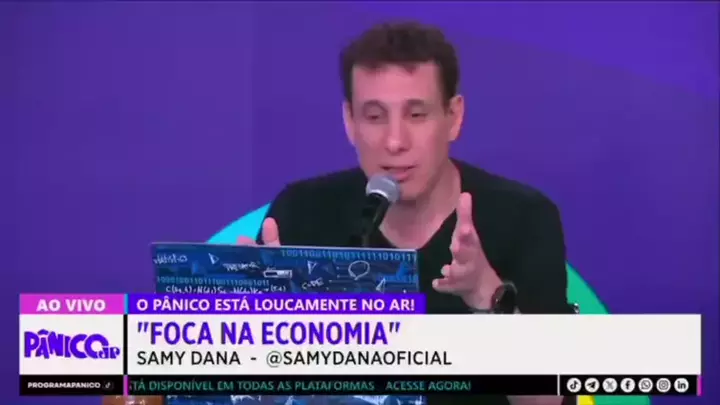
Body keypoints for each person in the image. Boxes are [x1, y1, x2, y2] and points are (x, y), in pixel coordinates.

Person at [237, 21, 572, 405]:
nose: (395, 142)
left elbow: (549, 401)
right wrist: (261, 333)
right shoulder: (301, 213)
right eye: (375, 116)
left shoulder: (524, 218)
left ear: (454, 116)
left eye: (416, 115)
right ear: (350, 122)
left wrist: (486, 294)